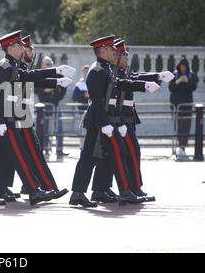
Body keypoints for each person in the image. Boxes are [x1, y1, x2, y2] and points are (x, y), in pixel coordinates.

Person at [69, 35, 161, 208]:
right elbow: (96, 101)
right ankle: (123, 192)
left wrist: (143, 86)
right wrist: (105, 124)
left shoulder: (106, 69)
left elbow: (120, 84)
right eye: (111, 49)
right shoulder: (97, 70)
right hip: (99, 121)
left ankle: (83, 193)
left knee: (100, 156)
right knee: (100, 155)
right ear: (103, 50)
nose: (114, 52)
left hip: (108, 120)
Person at [0, 30, 68, 206]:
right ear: (10, 47)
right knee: (16, 154)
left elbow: (29, 77)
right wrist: (1, 121)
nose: (22, 48)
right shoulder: (5, 66)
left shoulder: (14, 65)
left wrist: (55, 78)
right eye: (19, 45)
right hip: (5, 117)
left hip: (12, 116)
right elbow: (0, 95)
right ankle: (33, 190)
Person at [90, 38, 172, 203]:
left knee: (113, 154)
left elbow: (134, 77)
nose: (126, 58)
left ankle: (107, 189)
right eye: (122, 54)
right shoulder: (106, 71)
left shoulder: (114, 71)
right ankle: (129, 189)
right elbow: (124, 85)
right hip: (115, 118)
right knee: (123, 153)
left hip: (119, 118)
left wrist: (156, 77)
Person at [35, 56, 68, 160]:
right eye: (47, 64)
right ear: (42, 66)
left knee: (60, 129)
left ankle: (59, 150)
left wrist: (55, 92)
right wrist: (45, 90)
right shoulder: (39, 75)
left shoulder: (57, 75)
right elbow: (36, 88)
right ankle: (45, 149)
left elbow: (63, 87)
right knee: (44, 130)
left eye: (51, 63)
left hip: (55, 105)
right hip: (44, 107)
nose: (50, 66)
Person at [169, 57, 198, 159]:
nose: (183, 68)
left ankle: (183, 147)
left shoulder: (191, 75)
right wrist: (178, 81)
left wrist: (187, 81)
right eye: (181, 66)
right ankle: (177, 146)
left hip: (186, 105)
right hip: (176, 104)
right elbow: (171, 88)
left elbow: (194, 87)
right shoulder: (175, 74)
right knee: (178, 125)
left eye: (184, 66)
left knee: (186, 125)